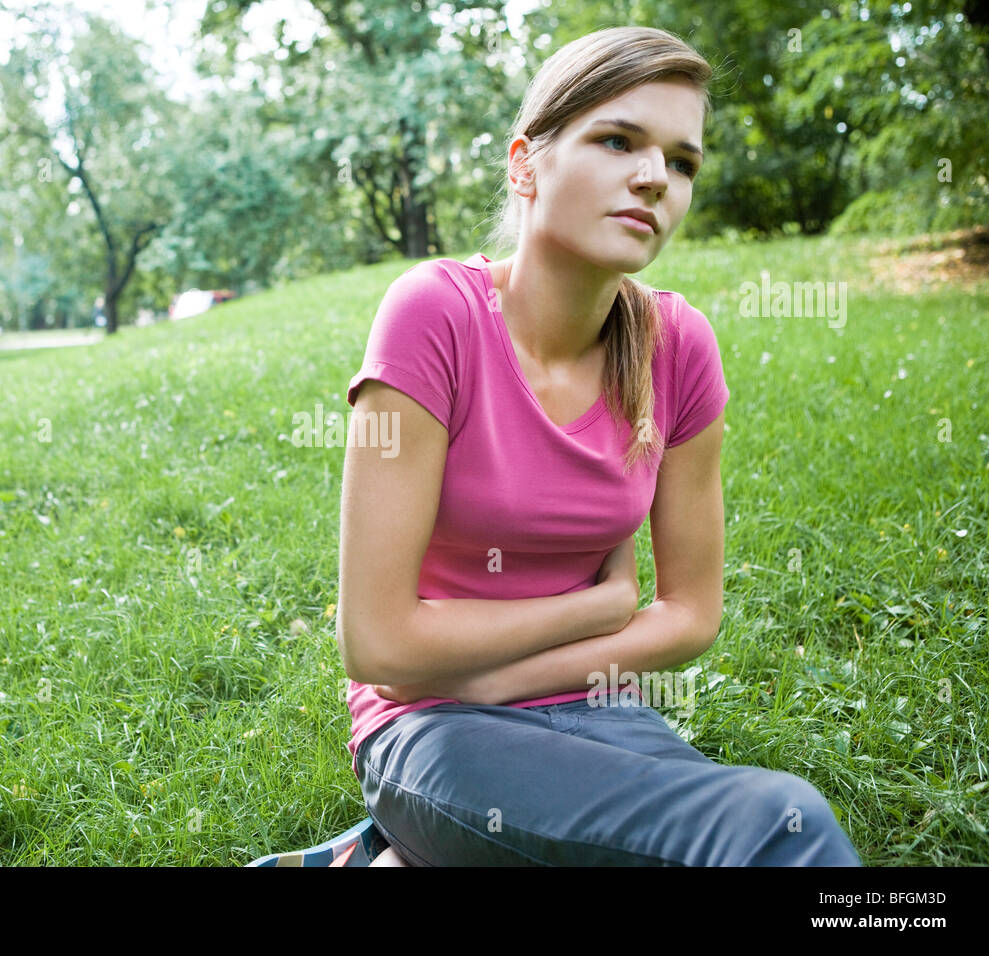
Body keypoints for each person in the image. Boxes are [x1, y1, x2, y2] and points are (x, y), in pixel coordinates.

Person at [335, 25, 862, 866]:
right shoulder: (435, 314)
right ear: (525, 163)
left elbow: (692, 614)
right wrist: (600, 604)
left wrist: (503, 680)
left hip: (589, 705)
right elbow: (377, 644)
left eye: (682, 161)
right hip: (428, 727)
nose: (655, 178)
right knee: (769, 825)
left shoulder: (678, 345)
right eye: (618, 140)